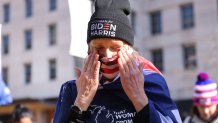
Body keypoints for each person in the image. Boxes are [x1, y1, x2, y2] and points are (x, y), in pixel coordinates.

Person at [53, 0, 182, 122]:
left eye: (115, 48)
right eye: (99, 48)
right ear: (89, 50)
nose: (107, 55)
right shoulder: (72, 90)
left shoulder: (152, 83)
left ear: (129, 49)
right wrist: (80, 104)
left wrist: (139, 99)